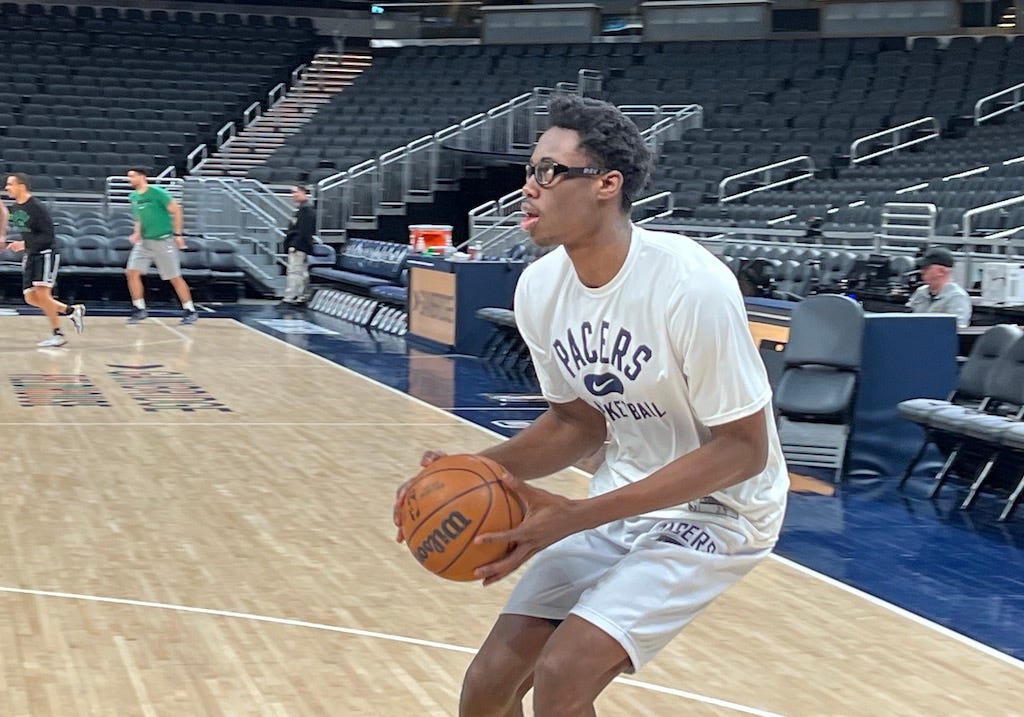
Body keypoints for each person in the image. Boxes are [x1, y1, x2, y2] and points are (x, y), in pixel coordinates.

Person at [393, 95, 789, 716]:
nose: (531, 187)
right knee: (489, 681)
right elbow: (577, 423)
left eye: (550, 171)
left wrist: (580, 513)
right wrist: (471, 472)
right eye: (530, 170)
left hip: (720, 510)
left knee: (563, 674)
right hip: (623, 496)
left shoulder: (690, 284)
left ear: (607, 184)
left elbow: (743, 450)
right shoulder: (541, 286)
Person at [1, 173, 85, 347]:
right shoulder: (16, 208)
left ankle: (58, 334)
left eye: (10, 184)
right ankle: (71, 311)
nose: (6, 188)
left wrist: (23, 244)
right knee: (30, 298)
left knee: (42, 294)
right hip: (31, 255)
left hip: (46, 253)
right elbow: (5, 216)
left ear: (21, 186)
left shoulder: (36, 207)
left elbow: (48, 236)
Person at [125, 167, 198, 325]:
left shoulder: (157, 192)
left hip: (163, 240)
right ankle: (139, 308)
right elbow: (139, 218)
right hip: (144, 242)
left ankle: (189, 309)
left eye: (132, 177)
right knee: (131, 272)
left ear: (142, 177)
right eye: (129, 177)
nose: (130, 180)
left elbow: (177, 210)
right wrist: (136, 232)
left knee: (174, 277)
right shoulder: (133, 196)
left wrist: (178, 235)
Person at [906, 246, 972, 328]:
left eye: (926, 268)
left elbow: (956, 330)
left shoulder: (957, 297)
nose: (922, 271)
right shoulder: (921, 292)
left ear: (941, 271)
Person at [280, 184, 316, 306]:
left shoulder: (306, 210)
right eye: (292, 192)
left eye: (296, 192)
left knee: (294, 272)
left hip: (299, 246)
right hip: (300, 245)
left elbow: (303, 231)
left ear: (303, 193)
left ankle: (290, 297)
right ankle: (302, 296)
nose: (293, 195)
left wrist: (295, 244)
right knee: (302, 272)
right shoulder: (301, 209)